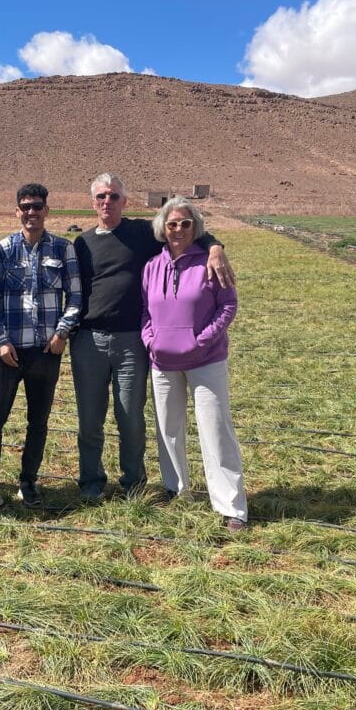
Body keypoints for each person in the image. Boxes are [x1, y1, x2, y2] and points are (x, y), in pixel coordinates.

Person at [71, 174, 235, 502]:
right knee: (89, 418)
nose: (107, 202)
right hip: (88, 339)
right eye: (101, 196)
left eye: (114, 196)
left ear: (124, 201)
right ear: (93, 202)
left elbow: (182, 228)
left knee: (130, 415)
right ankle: (91, 482)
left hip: (131, 340)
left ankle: (133, 481)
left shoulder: (140, 233)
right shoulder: (82, 243)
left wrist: (215, 245)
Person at [0, 183, 82, 513]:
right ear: (17, 211)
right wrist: (1, 341)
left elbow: (75, 297)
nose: (32, 212)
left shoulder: (62, 249)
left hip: (46, 351)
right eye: (25, 206)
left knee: (37, 421)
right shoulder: (4, 249)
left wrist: (62, 334)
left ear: (47, 210)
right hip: (8, 352)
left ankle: (28, 481)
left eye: (37, 206)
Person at [141, 197, 248, 532]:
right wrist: (151, 341)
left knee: (215, 429)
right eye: (172, 223)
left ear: (196, 228)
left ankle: (231, 506)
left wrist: (202, 340)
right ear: (162, 228)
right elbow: (145, 312)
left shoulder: (210, 263)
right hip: (163, 362)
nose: (178, 229)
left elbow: (228, 306)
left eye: (186, 224)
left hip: (206, 361)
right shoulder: (151, 267)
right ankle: (177, 490)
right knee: (168, 429)